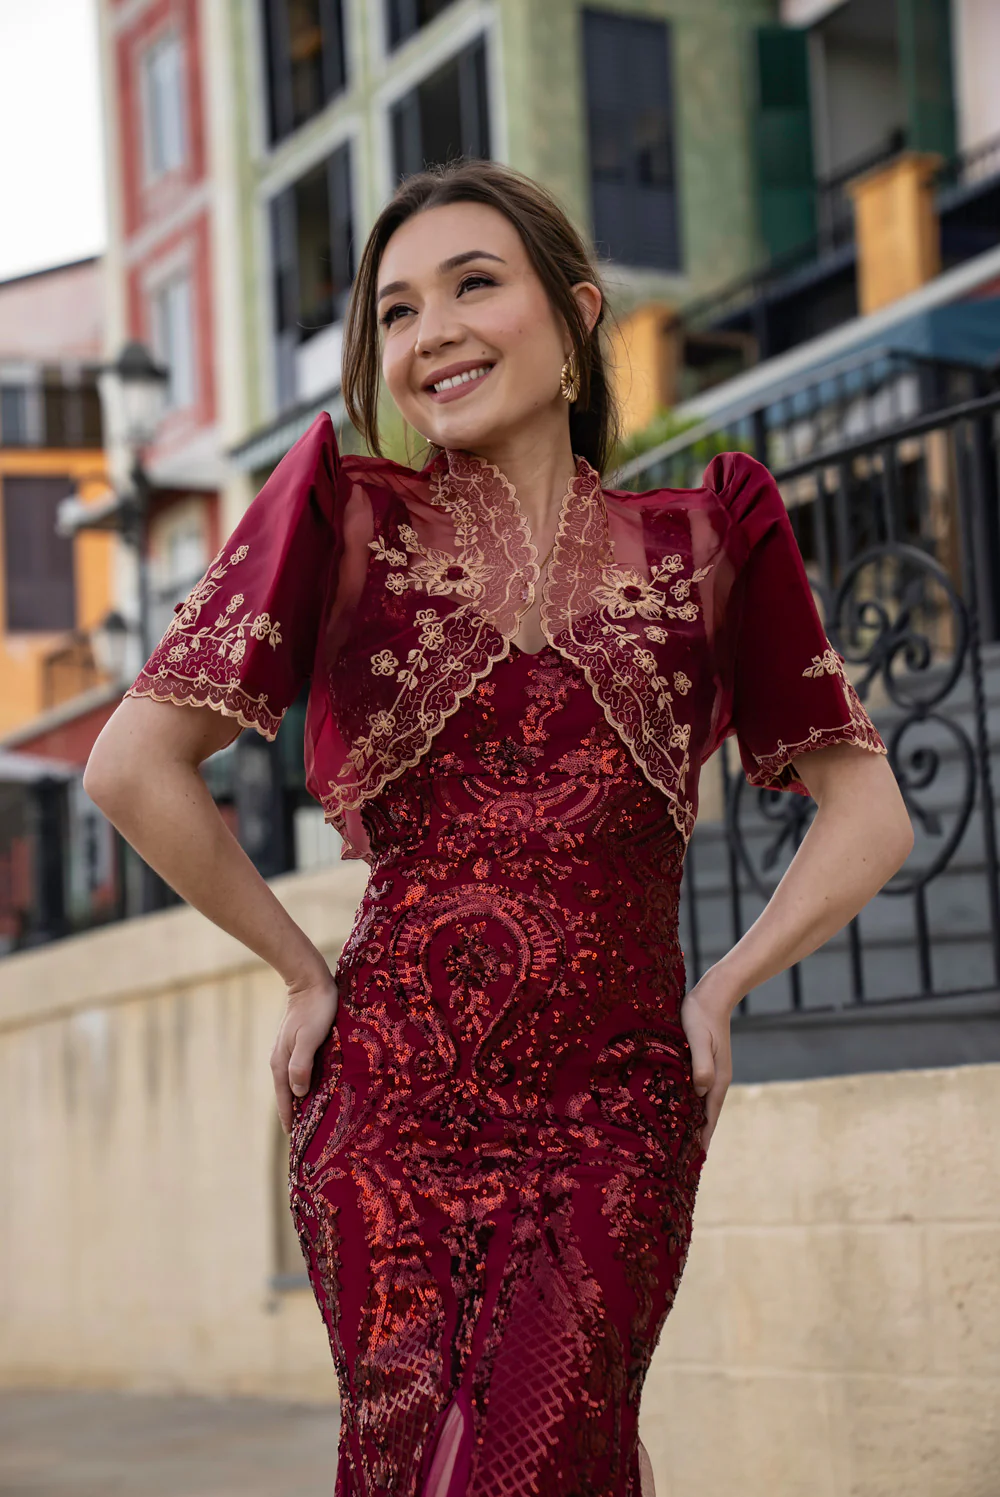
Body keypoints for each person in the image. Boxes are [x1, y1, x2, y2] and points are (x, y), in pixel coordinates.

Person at [84, 160, 913, 1496]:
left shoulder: (706, 544)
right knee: (414, 1461)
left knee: (538, 1458)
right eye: (397, 313)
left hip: (616, 1104)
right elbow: (132, 768)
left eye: (475, 284)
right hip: (387, 1105)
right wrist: (304, 971)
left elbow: (868, 819)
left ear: (577, 317)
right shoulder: (345, 520)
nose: (432, 333)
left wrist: (725, 991)